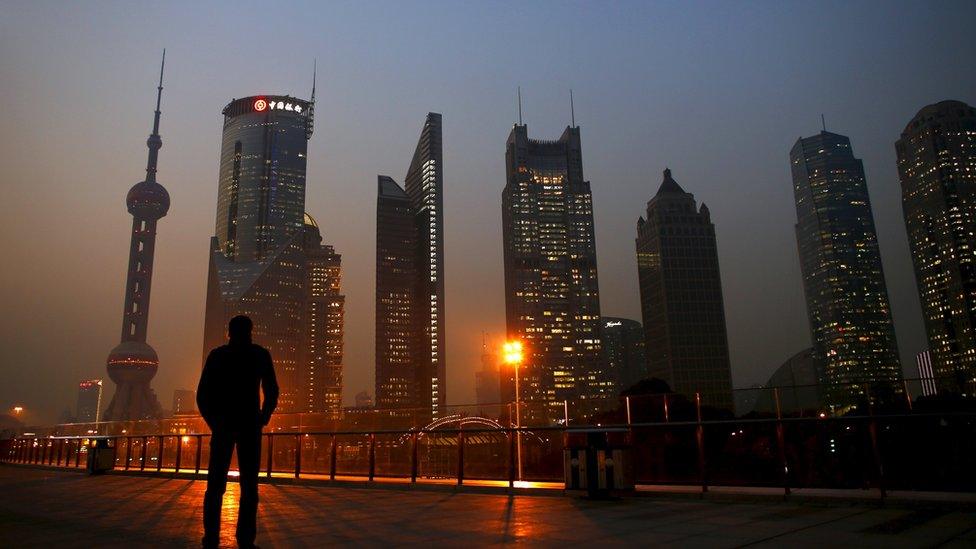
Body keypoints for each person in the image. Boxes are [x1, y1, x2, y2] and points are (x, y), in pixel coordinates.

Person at [197, 315, 279, 549]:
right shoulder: (260, 355)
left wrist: (214, 422)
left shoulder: (217, 356)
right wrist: (263, 417)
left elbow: (202, 395)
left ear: (229, 332)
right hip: (250, 426)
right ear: (251, 331)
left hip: (223, 426)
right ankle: (245, 540)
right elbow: (272, 390)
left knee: (215, 486)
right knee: (249, 487)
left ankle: (211, 538)